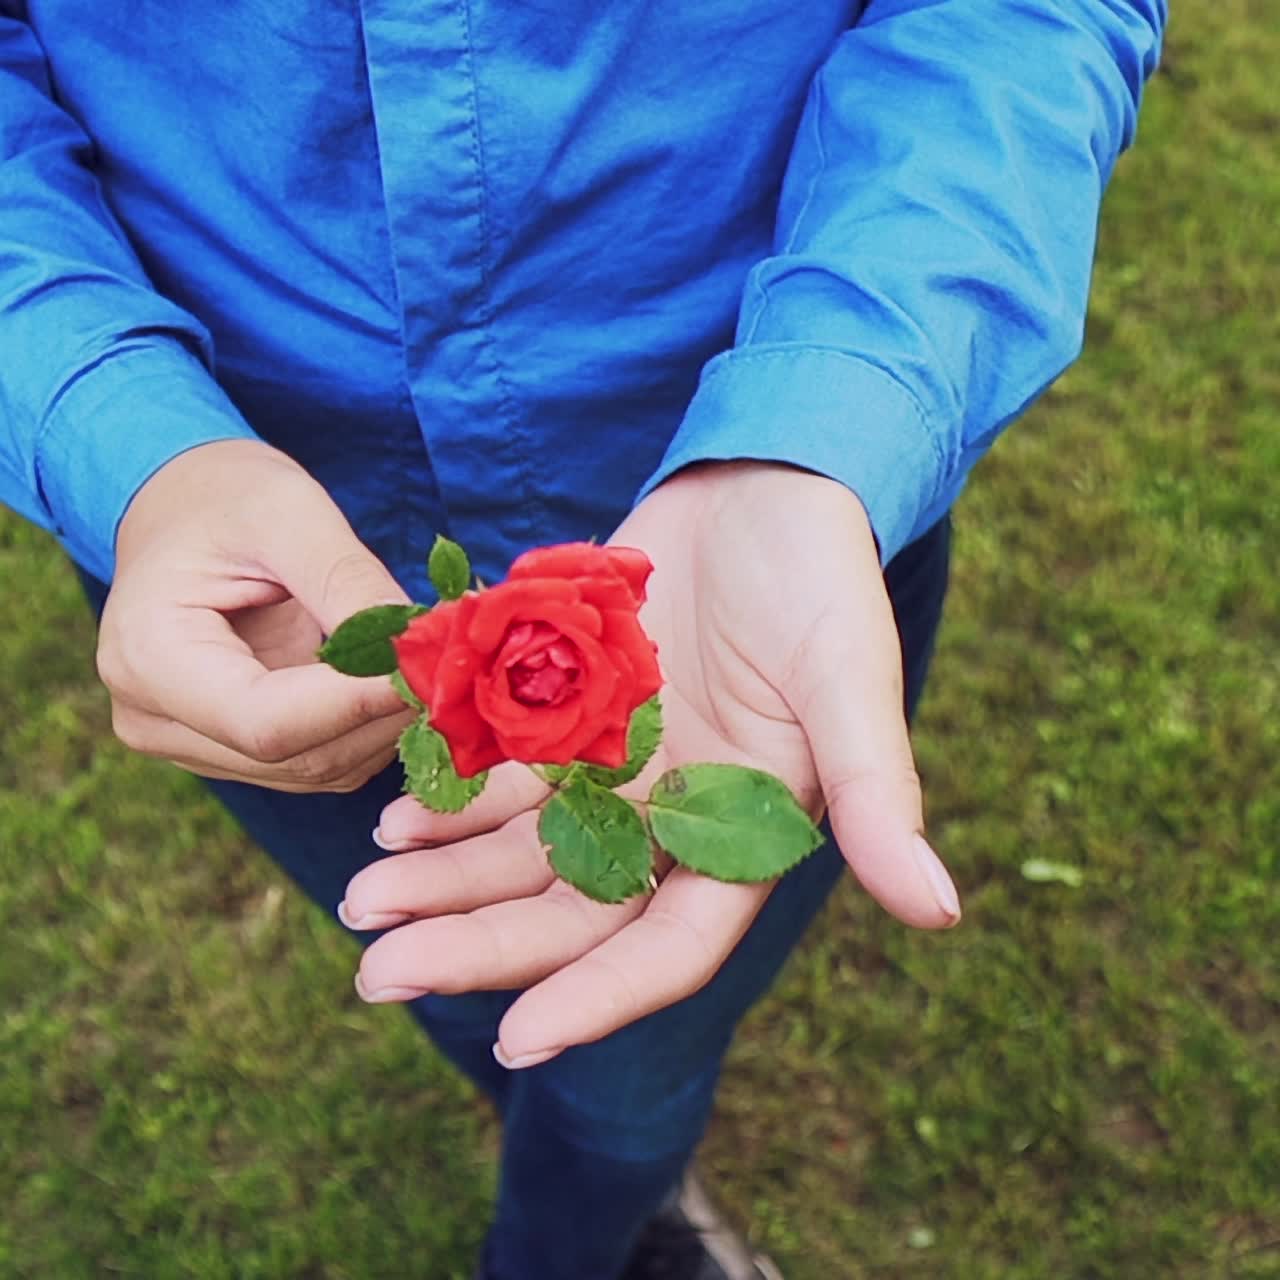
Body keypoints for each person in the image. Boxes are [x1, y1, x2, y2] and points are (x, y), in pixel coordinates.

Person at [0, 3, 1167, 1278]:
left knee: (625, 1079)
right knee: (448, 972)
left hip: (767, 544)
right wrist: (114, 423)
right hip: (261, 582)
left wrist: (823, 417)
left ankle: (586, 1231)